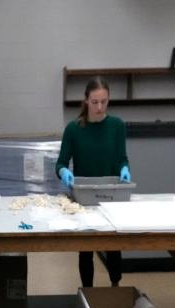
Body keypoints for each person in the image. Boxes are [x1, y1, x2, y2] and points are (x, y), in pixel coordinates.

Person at [55, 77, 129, 287]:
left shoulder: (116, 126)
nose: (99, 107)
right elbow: (60, 162)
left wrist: (125, 169)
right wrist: (63, 172)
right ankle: (87, 291)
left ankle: (116, 287)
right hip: (84, 198)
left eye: (104, 101)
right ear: (86, 100)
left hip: (111, 197)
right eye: (95, 102)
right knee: (86, 249)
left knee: (114, 246)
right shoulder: (74, 129)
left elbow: (122, 157)